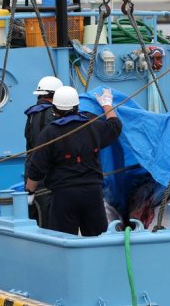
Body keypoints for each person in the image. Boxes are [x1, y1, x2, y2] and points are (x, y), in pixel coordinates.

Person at [25, 86, 122, 236]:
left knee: (62, 240)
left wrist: (30, 192)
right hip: (93, 193)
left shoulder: (49, 133)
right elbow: (115, 126)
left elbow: (36, 169)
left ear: (55, 109)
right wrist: (106, 104)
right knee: (97, 239)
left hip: (64, 196)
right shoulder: (93, 126)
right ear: (77, 106)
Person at [23, 75, 63, 228]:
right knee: (49, 218)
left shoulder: (31, 115)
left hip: (31, 172)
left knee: (34, 215)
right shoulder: (53, 114)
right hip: (47, 174)